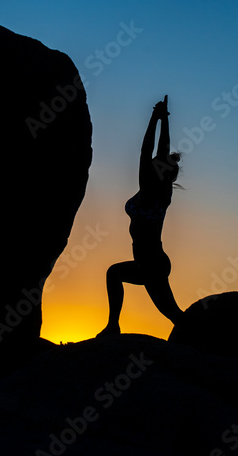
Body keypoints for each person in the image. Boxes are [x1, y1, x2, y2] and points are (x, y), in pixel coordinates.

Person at [97, 95, 184, 336]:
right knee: (173, 313)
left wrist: (154, 118)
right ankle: (202, 337)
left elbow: (147, 150)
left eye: (156, 162)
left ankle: (113, 326)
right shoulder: (162, 190)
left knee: (114, 273)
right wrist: (163, 119)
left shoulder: (150, 190)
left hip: (151, 263)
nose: (151, 162)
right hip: (152, 260)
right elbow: (161, 148)